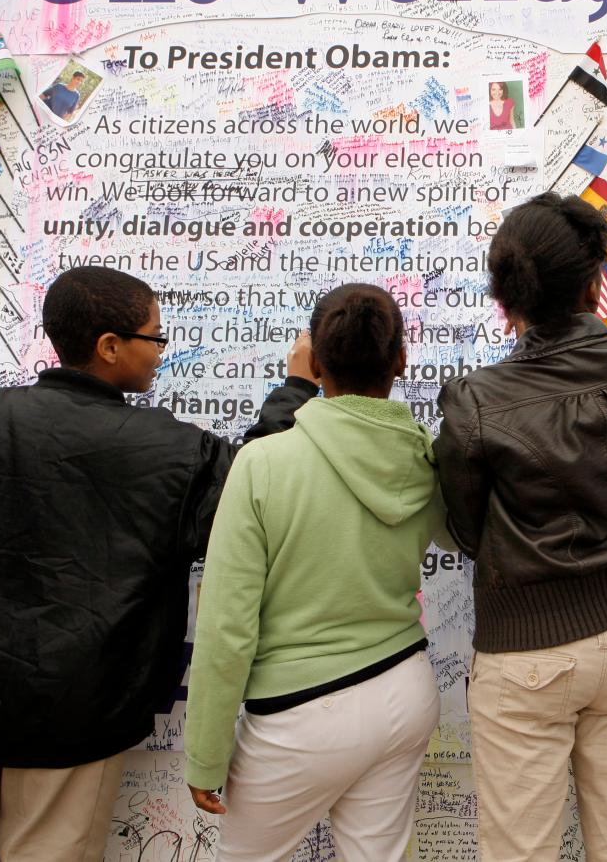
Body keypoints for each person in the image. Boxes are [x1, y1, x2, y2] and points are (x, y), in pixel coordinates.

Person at [0, 266, 316, 861]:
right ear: (109, 347)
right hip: (79, 708)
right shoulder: (160, 447)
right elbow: (253, 487)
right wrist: (297, 389)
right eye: (154, 338)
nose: (160, 353)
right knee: (51, 852)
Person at [434, 192, 607, 862]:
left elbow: (465, 528)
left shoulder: (474, 403)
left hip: (525, 655)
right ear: (596, 282)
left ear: (505, 298)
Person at [185, 284, 453, 861]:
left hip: (299, 715)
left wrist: (205, 754)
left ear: (314, 361)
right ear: (401, 360)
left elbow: (227, 626)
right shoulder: (424, 457)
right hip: (404, 688)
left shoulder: (264, 462)